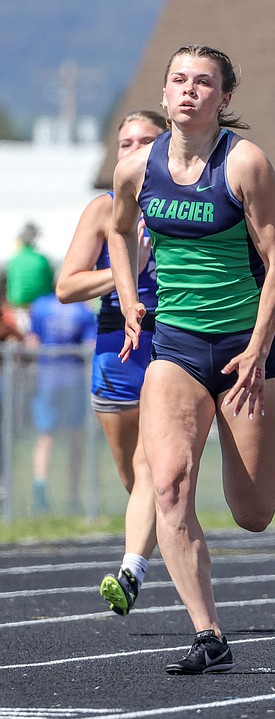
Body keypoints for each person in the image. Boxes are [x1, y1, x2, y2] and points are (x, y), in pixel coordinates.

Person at [108, 44, 275, 675]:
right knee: (168, 484)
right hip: (177, 348)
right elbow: (117, 228)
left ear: (225, 98)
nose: (189, 91)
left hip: (249, 347)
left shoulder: (245, 165)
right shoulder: (136, 168)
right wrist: (132, 300)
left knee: (253, 512)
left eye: (204, 83)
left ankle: (259, 431)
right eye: (179, 81)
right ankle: (208, 635)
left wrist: (259, 350)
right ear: (164, 95)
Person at [57, 109, 166, 614]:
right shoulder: (102, 211)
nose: (134, 150)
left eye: (146, 141)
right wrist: (126, 272)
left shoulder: (187, 205)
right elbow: (66, 287)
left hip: (170, 345)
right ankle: (158, 538)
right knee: (136, 478)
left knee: (155, 469)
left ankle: (131, 572)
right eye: (125, 143)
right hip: (116, 349)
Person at [26, 289, 96, 513]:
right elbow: (90, 346)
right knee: (74, 439)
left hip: (47, 379)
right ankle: (72, 497)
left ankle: (41, 491)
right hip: (73, 379)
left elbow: (32, 342)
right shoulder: (83, 311)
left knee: (45, 437)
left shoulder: (40, 305)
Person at [6, 223, 54, 335]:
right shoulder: (42, 260)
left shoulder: (14, 260)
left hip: (18, 309)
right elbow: (50, 283)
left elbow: (11, 286)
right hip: (42, 307)